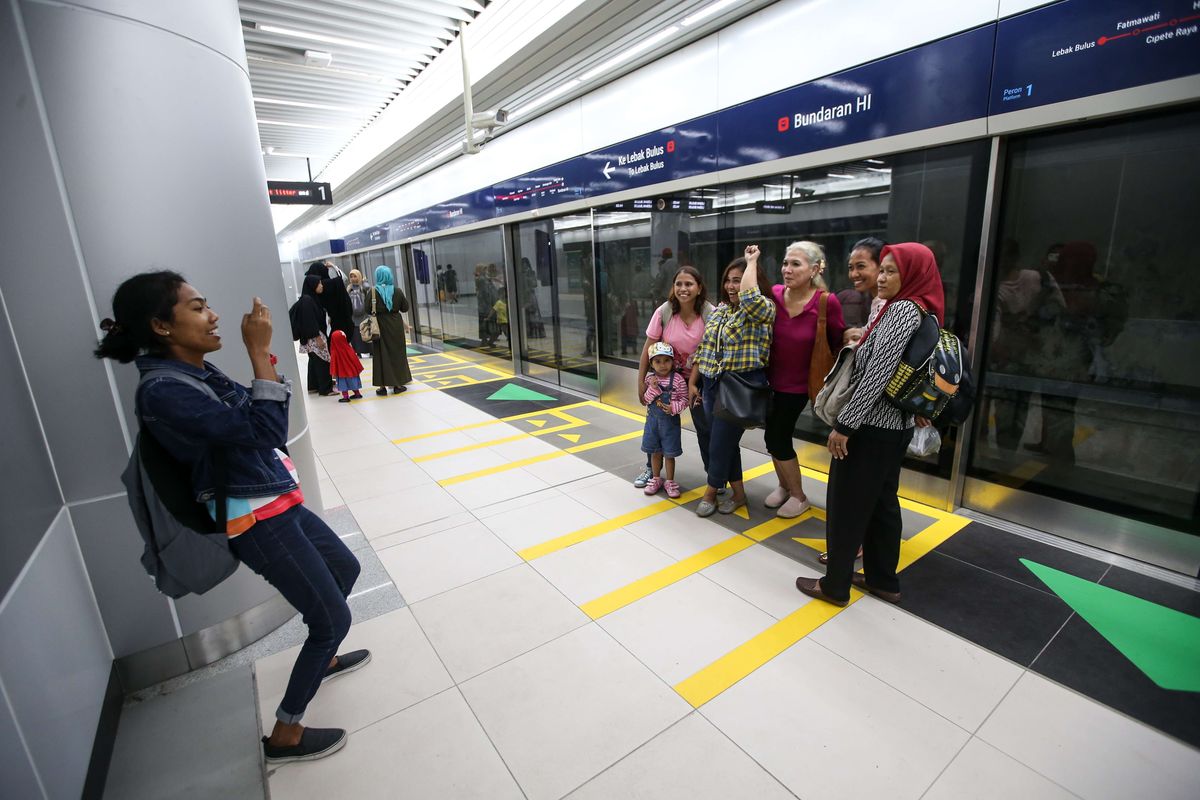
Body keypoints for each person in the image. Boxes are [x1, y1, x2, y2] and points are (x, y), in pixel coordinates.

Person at [94, 271, 369, 764]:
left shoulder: (196, 373)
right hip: (256, 522)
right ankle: (286, 734)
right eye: (197, 307)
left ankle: (321, 656)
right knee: (332, 618)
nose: (214, 315)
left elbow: (258, 421)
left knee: (345, 570)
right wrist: (259, 356)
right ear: (161, 325)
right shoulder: (161, 392)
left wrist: (263, 371)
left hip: (274, 499)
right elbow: (263, 429)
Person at [796, 242, 945, 606]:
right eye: (883, 269)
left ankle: (835, 585)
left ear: (910, 274)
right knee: (881, 504)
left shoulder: (902, 311)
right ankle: (882, 580)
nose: (881, 277)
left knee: (847, 504)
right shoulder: (925, 311)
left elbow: (877, 375)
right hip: (895, 427)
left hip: (870, 429)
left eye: (891, 271)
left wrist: (844, 426)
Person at [689, 247, 776, 517]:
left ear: (752, 280)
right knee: (723, 443)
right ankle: (739, 494)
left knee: (718, 444)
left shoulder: (761, 309)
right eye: (728, 280)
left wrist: (751, 262)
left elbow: (751, 298)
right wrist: (695, 382)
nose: (730, 286)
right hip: (712, 383)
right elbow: (704, 347)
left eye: (737, 280)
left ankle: (711, 491)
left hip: (739, 385)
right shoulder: (721, 310)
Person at [764, 241, 846, 518]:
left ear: (814, 269)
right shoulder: (774, 295)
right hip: (769, 381)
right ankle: (784, 486)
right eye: (785, 263)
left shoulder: (826, 302)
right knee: (773, 436)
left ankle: (799, 496)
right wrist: (751, 262)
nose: (787, 269)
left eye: (795, 264)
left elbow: (836, 342)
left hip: (801, 385)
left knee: (777, 437)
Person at [634, 266, 715, 488]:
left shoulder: (710, 313)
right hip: (664, 378)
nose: (683, 288)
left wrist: (691, 383)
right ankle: (652, 471)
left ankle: (715, 477)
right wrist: (641, 382)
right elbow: (648, 350)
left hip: (700, 380)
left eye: (689, 284)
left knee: (705, 428)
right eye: (678, 284)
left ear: (699, 288)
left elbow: (709, 351)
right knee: (657, 425)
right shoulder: (664, 312)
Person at [641, 342, 689, 498]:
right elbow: (646, 401)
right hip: (653, 423)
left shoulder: (678, 380)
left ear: (673, 361)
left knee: (669, 453)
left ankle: (670, 481)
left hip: (670, 425)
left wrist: (674, 407)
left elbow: (685, 399)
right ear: (651, 364)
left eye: (666, 360)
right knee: (655, 452)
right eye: (658, 361)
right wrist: (653, 388)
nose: (662, 365)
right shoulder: (650, 380)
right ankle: (656, 479)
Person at [370, 265, 412, 396]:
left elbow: (367, 309)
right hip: (395, 326)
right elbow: (405, 308)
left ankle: (382, 387)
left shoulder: (373, 292)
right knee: (397, 354)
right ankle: (398, 385)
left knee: (380, 355)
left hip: (379, 327)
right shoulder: (397, 291)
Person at [837, 236, 886, 343]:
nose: (853, 274)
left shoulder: (895, 306)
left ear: (882, 266)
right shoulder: (869, 300)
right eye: (850, 268)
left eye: (861, 266)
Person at [292, 275, 333, 396]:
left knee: (314, 362)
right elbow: (309, 321)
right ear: (312, 285)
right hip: (314, 337)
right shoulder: (307, 300)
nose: (321, 285)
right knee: (322, 362)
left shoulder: (310, 298)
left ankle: (313, 386)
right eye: (319, 283)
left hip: (312, 337)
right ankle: (326, 389)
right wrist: (318, 337)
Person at [308, 261, 354, 341]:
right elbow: (344, 279)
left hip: (327, 323)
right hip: (341, 320)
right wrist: (333, 266)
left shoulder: (316, 288)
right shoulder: (333, 283)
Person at [329, 330, 364, 403]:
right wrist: (357, 368)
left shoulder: (335, 351)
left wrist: (333, 372)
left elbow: (333, 362)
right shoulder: (348, 348)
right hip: (352, 371)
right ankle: (357, 393)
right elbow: (355, 359)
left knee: (343, 384)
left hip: (341, 373)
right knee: (353, 382)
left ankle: (345, 397)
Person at [346, 269, 372, 357]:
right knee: (356, 336)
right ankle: (358, 352)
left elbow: (368, 288)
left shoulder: (363, 287)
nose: (353, 278)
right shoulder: (349, 288)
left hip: (364, 317)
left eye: (355, 276)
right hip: (353, 318)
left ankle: (370, 351)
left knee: (366, 334)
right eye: (351, 276)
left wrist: (364, 281)